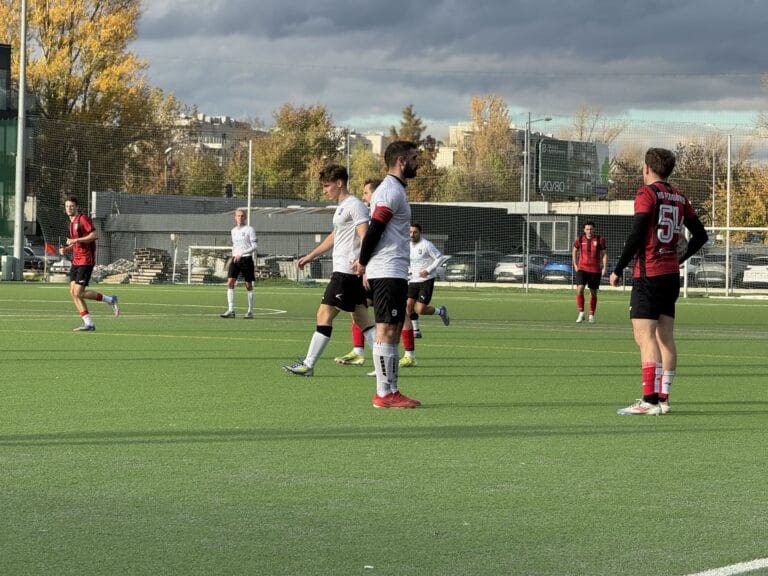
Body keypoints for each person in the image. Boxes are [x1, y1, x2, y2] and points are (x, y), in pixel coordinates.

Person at [610, 148, 708, 416]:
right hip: (670, 275)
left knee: (645, 336)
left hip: (649, 274)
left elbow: (637, 233)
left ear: (646, 168)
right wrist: (680, 258)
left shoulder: (646, 193)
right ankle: (663, 399)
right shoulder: (679, 196)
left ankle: (649, 400)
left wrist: (618, 268)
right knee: (665, 336)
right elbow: (701, 235)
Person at [283, 165, 375, 376]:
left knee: (324, 314)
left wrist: (363, 263)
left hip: (346, 272)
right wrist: (311, 255)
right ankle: (384, 365)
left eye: (327, 186)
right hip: (345, 271)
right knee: (362, 319)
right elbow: (335, 236)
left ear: (339, 183)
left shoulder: (356, 206)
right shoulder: (343, 207)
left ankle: (308, 365)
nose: (324, 191)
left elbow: (365, 236)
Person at [352, 141, 421, 408]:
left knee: (391, 329)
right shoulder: (390, 190)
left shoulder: (394, 189)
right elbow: (375, 229)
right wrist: (363, 262)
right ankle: (383, 393)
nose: (417, 163)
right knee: (385, 329)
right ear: (401, 161)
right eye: (414, 158)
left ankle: (391, 390)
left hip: (393, 269)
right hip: (387, 269)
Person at [334, 177, 381, 366]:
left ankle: (402, 357)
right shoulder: (368, 211)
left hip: (379, 272)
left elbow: (368, 240)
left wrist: (365, 266)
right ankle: (360, 352)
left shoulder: (379, 214)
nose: (363, 196)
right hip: (364, 271)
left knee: (397, 318)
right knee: (358, 311)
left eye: (366, 192)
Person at [59, 196, 119, 331]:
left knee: (78, 292)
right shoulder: (71, 223)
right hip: (76, 261)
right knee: (73, 293)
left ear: (77, 207)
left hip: (86, 260)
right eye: (67, 206)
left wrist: (75, 240)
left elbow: (94, 236)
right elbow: (77, 243)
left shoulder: (83, 219)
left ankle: (110, 300)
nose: (69, 208)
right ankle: (89, 323)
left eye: (72, 206)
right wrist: (67, 249)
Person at [399, 223, 450, 367]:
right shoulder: (406, 245)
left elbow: (440, 257)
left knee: (420, 309)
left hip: (426, 281)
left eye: (415, 232)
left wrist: (428, 270)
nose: (412, 234)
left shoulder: (427, 245)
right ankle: (416, 330)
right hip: (412, 281)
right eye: (410, 232)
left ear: (420, 232)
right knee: (408, 307)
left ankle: (440, 311)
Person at [220, 208, 258, 319]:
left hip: (246, 259)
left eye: (242, 216)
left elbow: (254, 246)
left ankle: (250, 311)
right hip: (235, 259)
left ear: (245, 217)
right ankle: (231, 310)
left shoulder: (250, 229)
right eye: (238, 216)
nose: (240, 218)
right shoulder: (233, 231)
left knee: (248, 285)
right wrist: (234, 255)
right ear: (235, 217)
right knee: (230, 282)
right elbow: (235, 246)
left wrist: (242, 253)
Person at [572, 220, 607, 323]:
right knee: (580, 289)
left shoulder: (600, 239)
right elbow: (574, 250)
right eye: (587, 229)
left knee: (593, 292)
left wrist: (604, 267)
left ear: (594, 229)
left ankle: (591, 315)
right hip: (582, 268)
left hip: (595, 270)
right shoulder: (579, 239)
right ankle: (581, 313)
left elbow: (604, 254)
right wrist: (575, 264)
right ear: (584, 230)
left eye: (591, 229)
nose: (589, 231)